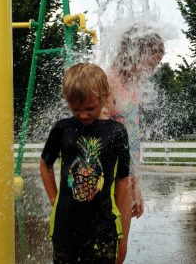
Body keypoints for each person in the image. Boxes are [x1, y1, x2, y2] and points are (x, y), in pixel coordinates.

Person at [40, 63, 132, 264]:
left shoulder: (117, 132)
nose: (83, 115)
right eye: (76, 109)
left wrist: (113, 207)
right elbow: (45, 164)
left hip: (103, 228)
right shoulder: (62, 129)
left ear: (105, 96)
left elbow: (123, 177)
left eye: (90, 108)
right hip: (65, 227)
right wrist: (54, 199)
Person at [101, 24, 165, 263]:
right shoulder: (106, 82)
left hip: (125, 177)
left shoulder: (133, 89)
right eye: (150, 64)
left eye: (155, 66)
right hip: (107, 176)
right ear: (133, 53)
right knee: (105, 243)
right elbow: (98, 132)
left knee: (121, 246)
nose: (150, 71)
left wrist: (135, 184)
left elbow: (132, 140)